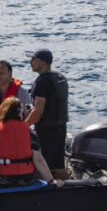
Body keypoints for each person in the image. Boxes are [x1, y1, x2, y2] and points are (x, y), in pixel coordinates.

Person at [0, 97, 61, 187]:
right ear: (20, 114)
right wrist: (51, 181)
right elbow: (38, 160)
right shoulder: (30, 131)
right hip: (27, 179)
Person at [25, 49, 70, 180]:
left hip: (46, 131)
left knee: (41, 166)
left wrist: (24, 125)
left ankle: (42, 195)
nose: (30, 62)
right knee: (59, 166)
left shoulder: (41, 81)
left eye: (34, 59)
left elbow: (38, 111)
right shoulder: (60, 77)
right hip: (61, 128)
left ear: (43, 62)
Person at [0, 60, 31, 125]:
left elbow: (28, 113)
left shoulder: (21, 91)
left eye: (1, 73)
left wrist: (23, 129)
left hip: (15, 129)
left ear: (10, 73)